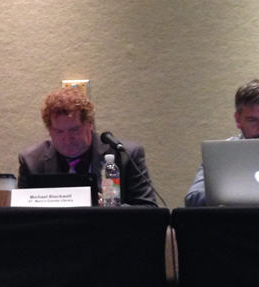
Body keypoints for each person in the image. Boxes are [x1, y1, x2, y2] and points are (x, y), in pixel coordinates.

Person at [17, 86, 157, 206]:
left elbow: (149, 212)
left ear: (90, 124)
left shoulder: (125, 155)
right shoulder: (31, 161)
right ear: (49, 130)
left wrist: (110, 206)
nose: (67, 139)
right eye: (59, 132)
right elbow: (22, 217)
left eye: (74, 130)